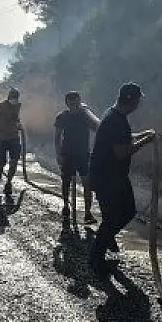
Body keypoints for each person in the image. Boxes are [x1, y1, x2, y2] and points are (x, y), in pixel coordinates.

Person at [87, 82, 155, 275]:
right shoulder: (115, 120)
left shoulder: (115, 115)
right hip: (107, 177)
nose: (138, 105)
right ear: (130, 100)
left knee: (122, 213)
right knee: (118, 215)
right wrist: (146, 141)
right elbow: (122, 152)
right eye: (137, 101)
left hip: (112, 176)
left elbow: (123, 137)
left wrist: (142, 134)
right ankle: (95, 257)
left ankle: (103, 243)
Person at [54, 91, 101, 223]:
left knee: (87, 184)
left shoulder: (85, 115)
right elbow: (57, 137)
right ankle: (65, 205)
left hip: (83, 155)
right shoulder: (62, 117)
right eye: (71, 103)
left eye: (76, 103)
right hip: (67, 154)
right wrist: (58, 154)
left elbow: (97, 127)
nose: (74, 106)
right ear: (67, 103)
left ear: (80, 102)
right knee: (66, 182)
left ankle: (87, 213)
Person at [0, 88, 24, 194]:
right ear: (9, 97)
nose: (14, 100)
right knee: (2, 161)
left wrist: (19, 125)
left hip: (14, 138)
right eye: (13, 97)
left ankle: (8, 182)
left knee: (14, 161)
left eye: (16, 98)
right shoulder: (0, 106)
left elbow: (16, 119)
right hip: (0, 139)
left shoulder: (18, 106)